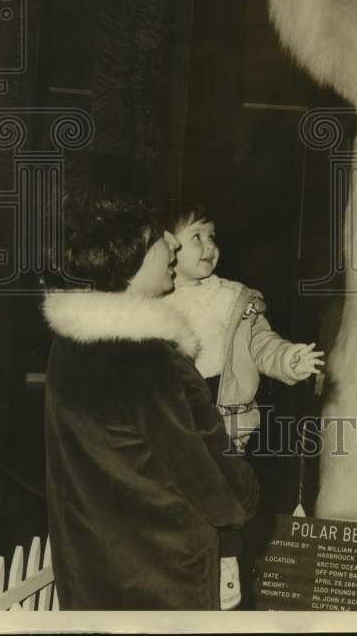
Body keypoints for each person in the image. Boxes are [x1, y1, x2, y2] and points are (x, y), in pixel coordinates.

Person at [42, 178, 258, 610]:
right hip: (164, 582)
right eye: (159, 235)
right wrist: (249, 489)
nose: (172, 245)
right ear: (128, 251)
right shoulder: (152, 360)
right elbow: (227, 496)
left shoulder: (68, 344)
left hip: (90, 574)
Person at [166, 202, 324, 607]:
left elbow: (262, 344)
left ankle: (228, 564)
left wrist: (289, 359)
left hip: (226, 419)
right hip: (174, 416)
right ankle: (185, 572)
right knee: (180, 501)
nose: (208, 246)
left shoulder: (236, 297)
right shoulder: (155, 300)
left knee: (227, 498)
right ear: (167, 247)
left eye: (212, 235)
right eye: (195, 237)